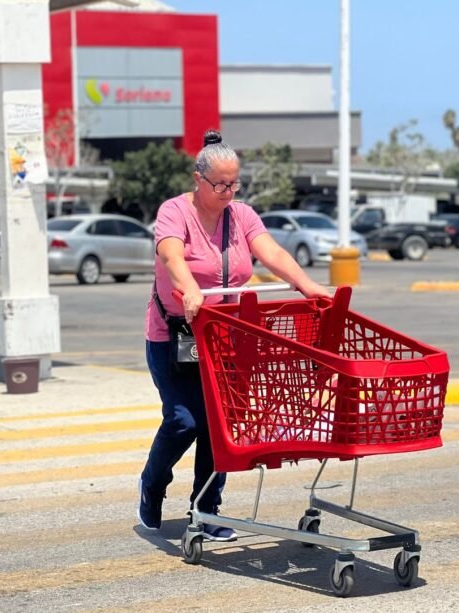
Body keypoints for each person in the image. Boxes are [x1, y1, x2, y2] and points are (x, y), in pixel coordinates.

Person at [138, 130, 330, 541]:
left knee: (221, 425)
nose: (228, 191)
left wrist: (307, 285)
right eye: (220, 184)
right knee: (185, 419)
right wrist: (190, 289)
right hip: (176, 334)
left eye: (234, 183)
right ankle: (153, 485)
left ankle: (207, 509)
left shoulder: (242, 216)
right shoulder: (174, 212)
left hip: (224, 337)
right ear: (198, 178)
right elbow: (171, 254)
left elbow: (272, 253)